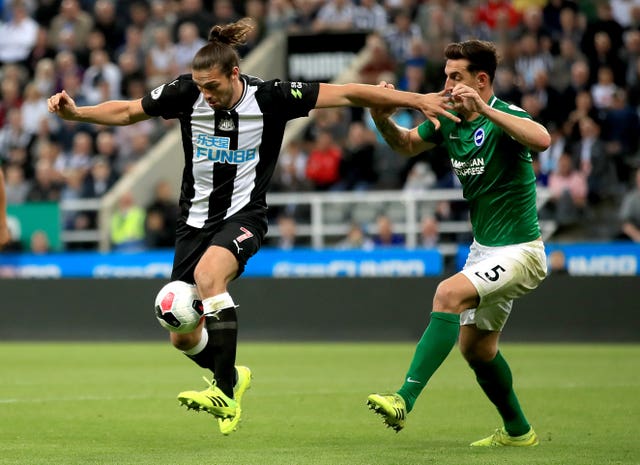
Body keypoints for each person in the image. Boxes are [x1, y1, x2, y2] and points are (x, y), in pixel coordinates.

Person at [47, 18, 456, 436]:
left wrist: (417, 99)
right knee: (182, 336)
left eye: (213, 86)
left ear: (235, 74)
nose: (206, 94)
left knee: (209, 276)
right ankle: (233, 376)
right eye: (200, 87)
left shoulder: (273, 97)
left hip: (243, 216)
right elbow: (130, 110)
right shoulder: (187, 92)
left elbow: (348, 91)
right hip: (193, 223)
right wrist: (78, 113)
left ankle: (224, 390)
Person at [366, 39, 551, 447]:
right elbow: (405, 144)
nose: (446, 85)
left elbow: (542, 141)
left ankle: (403, 398)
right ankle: (519, 432)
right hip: (484, 250)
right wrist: (381, 116)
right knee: (477, 351)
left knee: (447, 293)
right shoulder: (448, 120)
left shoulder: (503, 115)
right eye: (445, 76)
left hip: (522, 251)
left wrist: (486, 109)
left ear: (481, 80)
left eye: (456, 77)